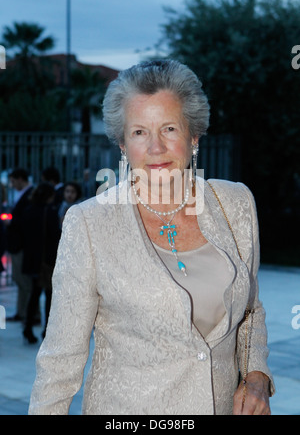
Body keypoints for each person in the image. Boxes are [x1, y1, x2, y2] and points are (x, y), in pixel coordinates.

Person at [29, 60, 274, 415]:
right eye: (140, 132)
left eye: (169, 129)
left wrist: (256, 376)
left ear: (193, 137)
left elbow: (250, 308)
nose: (155, 148)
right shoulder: (89, 223)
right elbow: (60, 360)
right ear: (123, 145)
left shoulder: (235, 204)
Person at [21, 183, 61, 343]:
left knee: (34, 294)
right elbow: (55, 236)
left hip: (32, 259)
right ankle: (47, 330)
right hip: (47, 260)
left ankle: (28, 327)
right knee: (49, 295)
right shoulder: (49, 212)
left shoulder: (28, 210)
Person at [6, 168, 34, 322]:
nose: (12, 184)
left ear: (20, 179)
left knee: (24, 282)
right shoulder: (24, 194)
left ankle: (27, 313)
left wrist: (12, 222)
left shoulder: (29, 195)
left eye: (13, 181)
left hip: (22, 245)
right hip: (19, 244)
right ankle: (22, 312)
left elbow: (27, 221)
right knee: (20, 280)